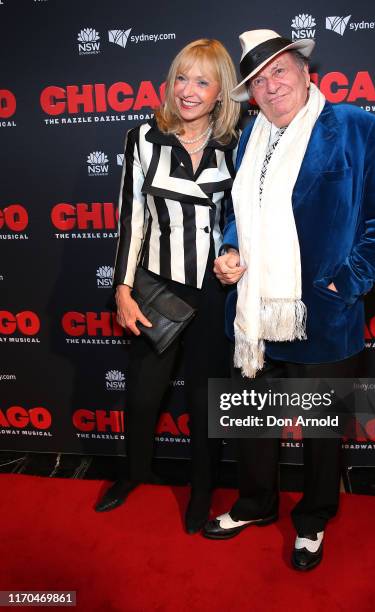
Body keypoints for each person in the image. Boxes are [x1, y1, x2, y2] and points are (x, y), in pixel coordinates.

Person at [204, 30, 375, 568]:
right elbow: (238, 217)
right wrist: (228, 252)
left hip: (322, 314)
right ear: (250, 94)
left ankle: (314, 517)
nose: (271, 87)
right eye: (258, 81)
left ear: (304, 72)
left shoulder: (358, 128)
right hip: (251, 312)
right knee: (253, 421)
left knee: (320, 431)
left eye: (279, 72)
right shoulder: (250, 136)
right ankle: (255, 502)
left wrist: (346, 282)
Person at [94, 39, 240, 535]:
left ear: (221, 91)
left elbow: (243, 219)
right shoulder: (142, 137)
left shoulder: (237, 142)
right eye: (181, 77)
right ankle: (133, 473)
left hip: (215, 290)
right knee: (142, 396)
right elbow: (130, 217)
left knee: (205, 401)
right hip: (156, 287)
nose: (188, 90)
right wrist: (122, 288)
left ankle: (202, 491)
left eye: (202, 81)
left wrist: (236, 258)